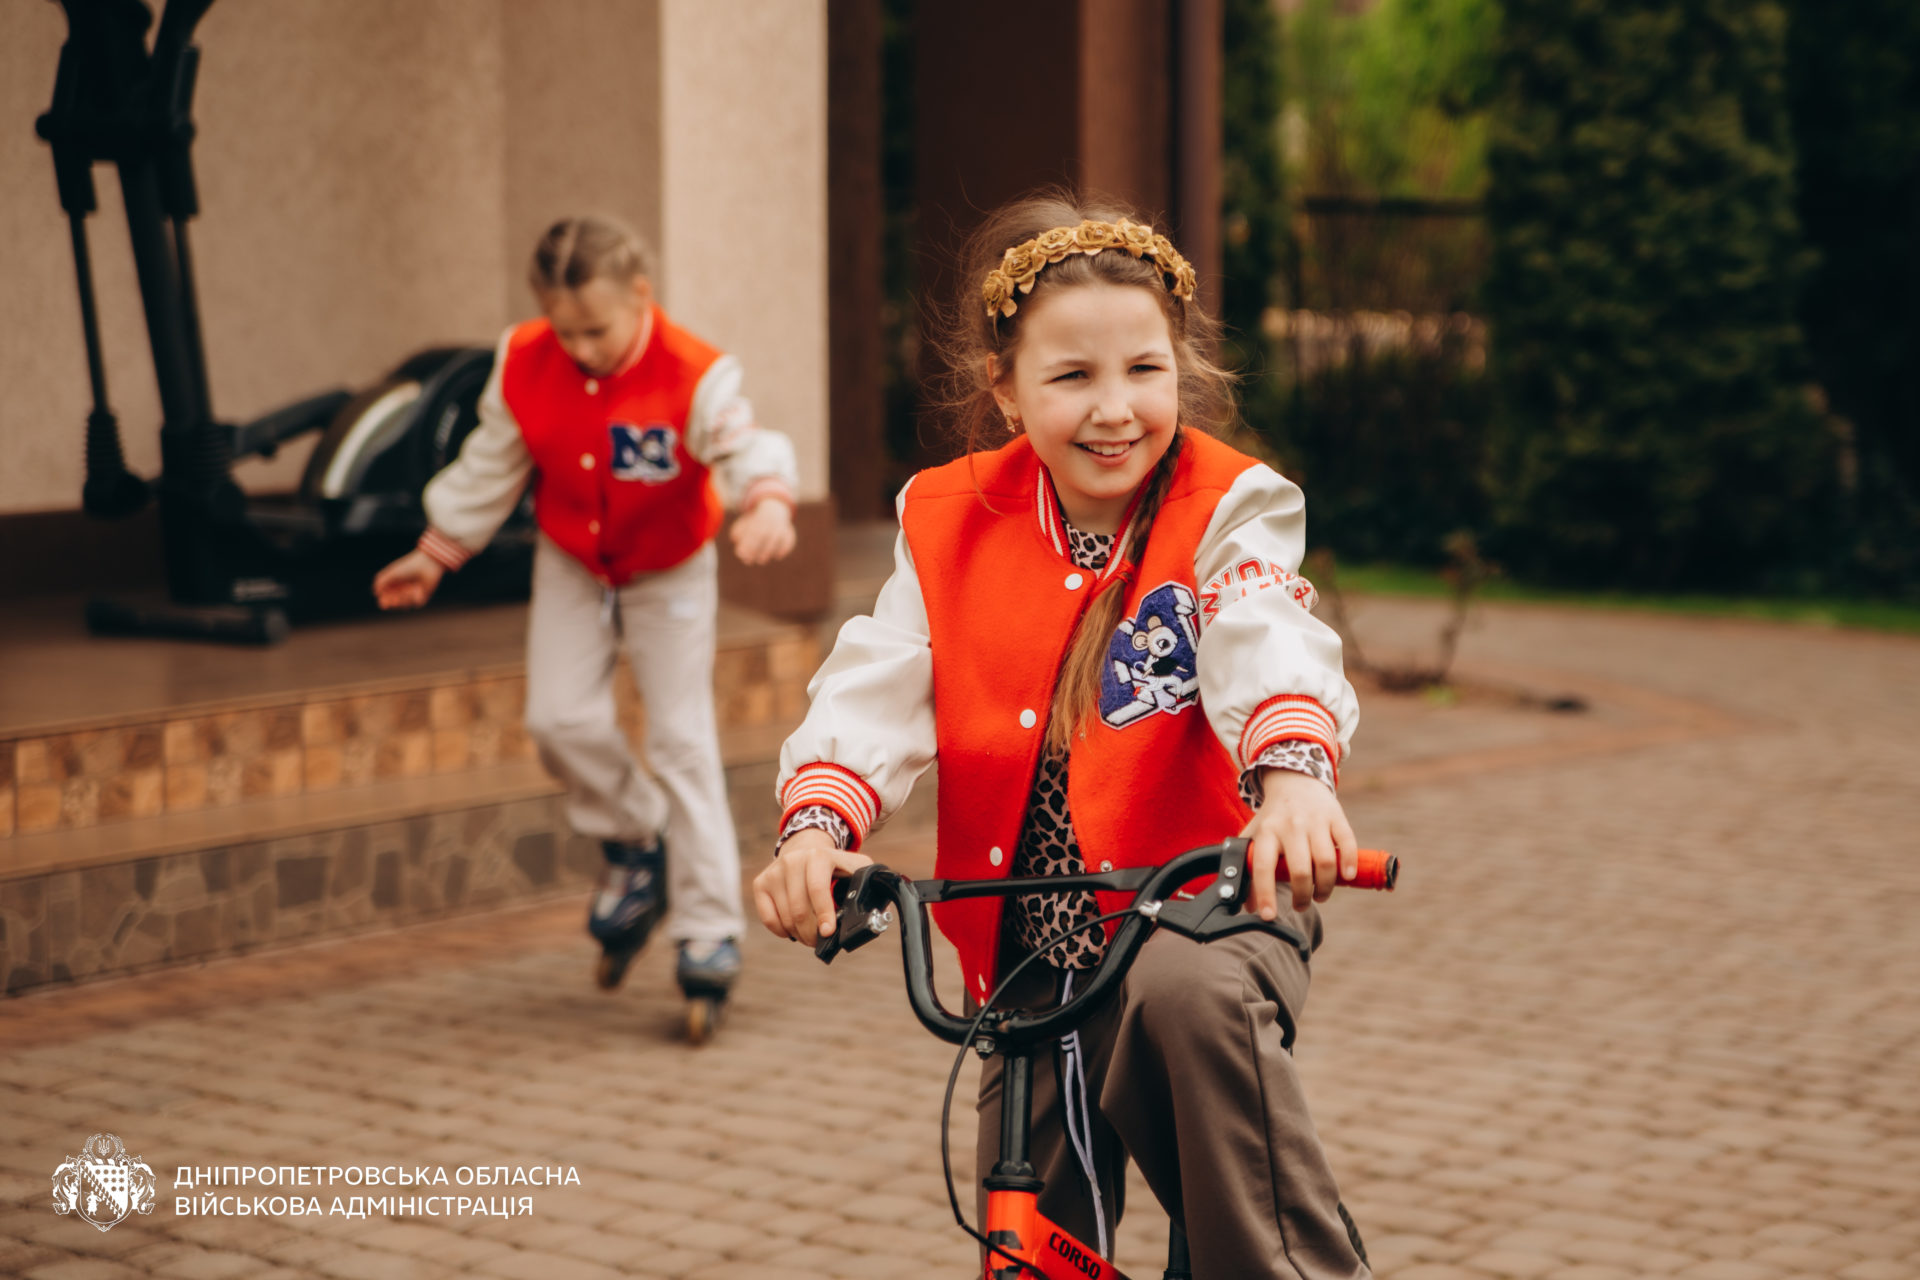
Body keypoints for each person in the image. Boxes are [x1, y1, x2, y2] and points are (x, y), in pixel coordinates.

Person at [754, 191, 1373, 1277]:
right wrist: (816, 825)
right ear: (1005, 388)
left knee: (1185, 998)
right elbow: (878, 681)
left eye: (1144, 369)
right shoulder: (948, 516)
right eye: (1072, 376)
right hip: (1030, 947)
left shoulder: (1229, 503)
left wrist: (1292, 776)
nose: (1115, 408)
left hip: (1205, 909)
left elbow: (1265, 624)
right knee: (1032, 1225)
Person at [375, 214, 797, 1009]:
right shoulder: (522, 361)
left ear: (641, 294)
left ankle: (709, 928)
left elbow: (748, 447)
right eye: (566, 332)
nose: (582, 349)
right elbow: (491, 463)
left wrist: (766, 501)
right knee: (557, 720)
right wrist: (434, 553)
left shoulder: (696, 374)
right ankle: (638, 840)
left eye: (597, 329)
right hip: (571, 559)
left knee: (681, 740)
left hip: (668, 568)